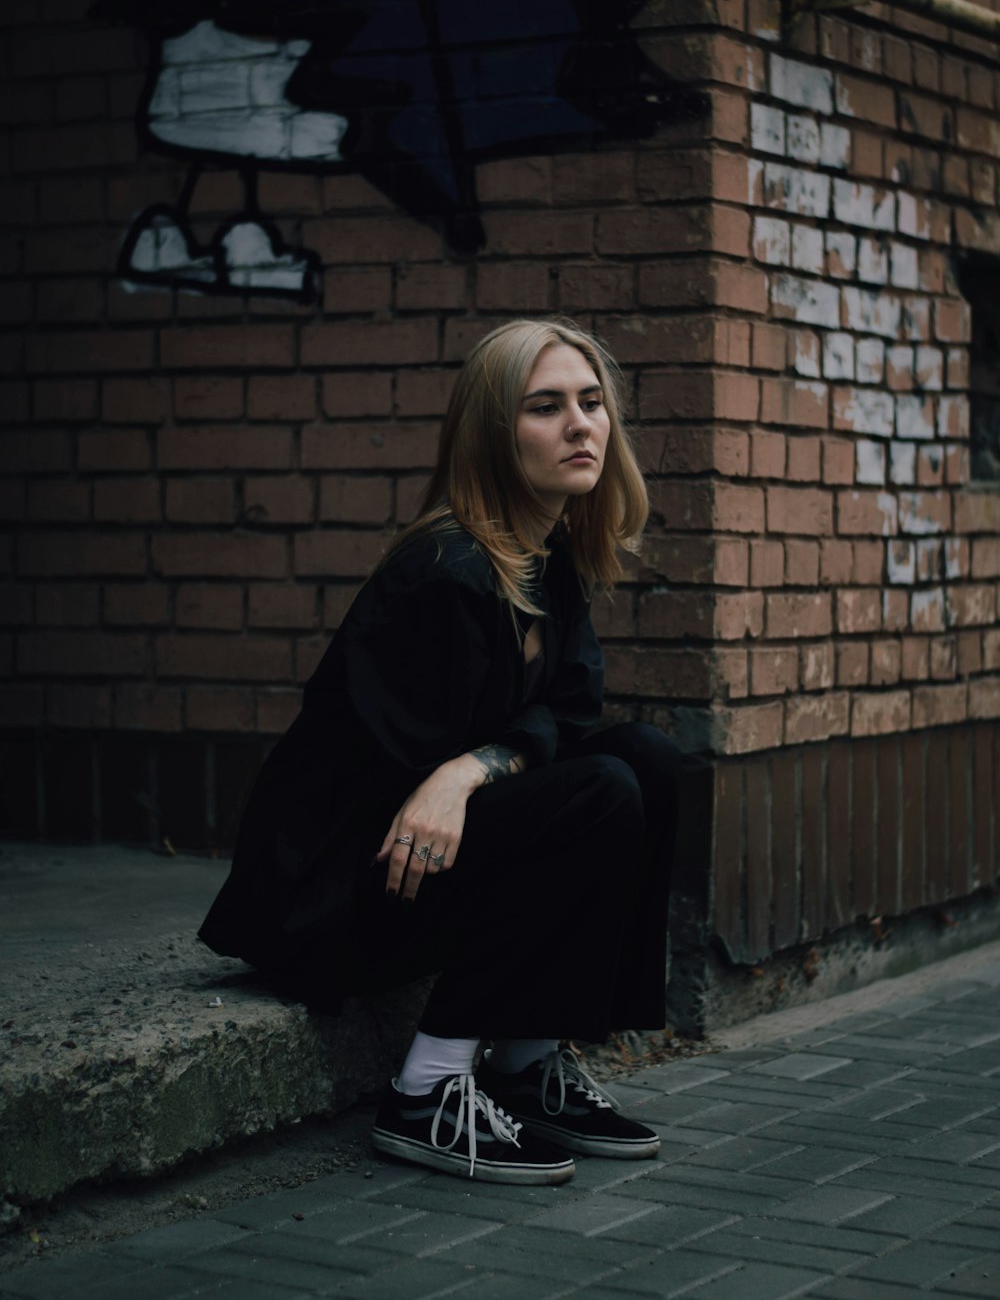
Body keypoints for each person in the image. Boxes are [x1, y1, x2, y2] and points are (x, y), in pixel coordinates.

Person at [199, 317, 681, 1185]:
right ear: (494, 436)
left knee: (644, 756)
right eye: (546, 407)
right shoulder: (446, 572)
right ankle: (426, 1090)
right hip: (341, 894)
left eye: (592, 402)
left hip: (427, 865)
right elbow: (389, 791)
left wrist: (470, 769)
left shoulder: (549, 560)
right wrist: (472, 772)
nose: (582, 425)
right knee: (598, 791)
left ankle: (526, 1064)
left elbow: (571, 715)